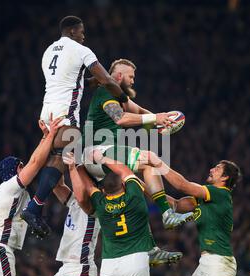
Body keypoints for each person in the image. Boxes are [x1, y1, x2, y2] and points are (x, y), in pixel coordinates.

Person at [21, 16, 131, 238]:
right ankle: (35, 207)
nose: (84, 35)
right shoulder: (82, 50)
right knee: (65, 157)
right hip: (65, 113)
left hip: (47, 112)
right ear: (72, 31)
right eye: (81, 31)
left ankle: (40, 206)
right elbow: (109, 80)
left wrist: (94, 82)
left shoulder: (49, 51)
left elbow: (72, 81)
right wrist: (123, 97)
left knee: (57, 159)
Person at [82, 58, 193, 230]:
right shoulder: (106, 91)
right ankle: (169, 210)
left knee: (143, 176)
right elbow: (120, 118)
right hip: (96, 153)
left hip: (105, 155)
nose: (133, 81)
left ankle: (161, 224)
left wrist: (160, 123)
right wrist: (155, 118)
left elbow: (140, 111)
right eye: (131, 77)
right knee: (150, 157)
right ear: (119, 76)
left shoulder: (118, 95)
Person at [63, 152, 182, 276]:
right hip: (135, 261)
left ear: (103, 191)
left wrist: (75, 168)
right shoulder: (134, 195)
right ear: (125, 185)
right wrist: (103, 158)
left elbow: (82, 195)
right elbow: (124, 170)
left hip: (109, 266)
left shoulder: (100, 202)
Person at [0, 116, 62, 276]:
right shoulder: (10, 186)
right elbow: (36, 162)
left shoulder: (12, 191)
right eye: (21, 165)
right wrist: (52, 134)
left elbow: (35, 160)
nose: (25, 167)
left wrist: (46, 137)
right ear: (16, 170)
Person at [141, 151, 242, 276]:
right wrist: (140, 185)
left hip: (219, 261)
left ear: (225, 177)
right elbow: (175, 204)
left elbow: (182, 185)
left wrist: (158, 163)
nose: (211, 169)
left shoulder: (220, 193)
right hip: (206, 261)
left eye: (217, 168)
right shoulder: (205, 199)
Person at [41, 169, 100, 276]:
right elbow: (57, 185)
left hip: (82, 268)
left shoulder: (96, 204)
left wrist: (73, 167)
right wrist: (60, 160)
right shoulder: (75, 201)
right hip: (66, 267)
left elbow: (81, 197)